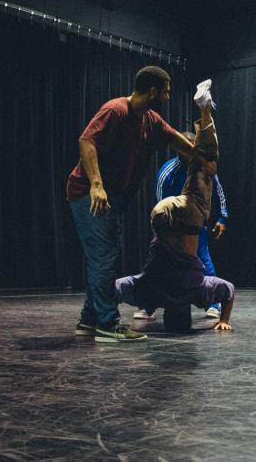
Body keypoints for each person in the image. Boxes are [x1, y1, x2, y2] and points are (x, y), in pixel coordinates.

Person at [67, 65, 205, 343]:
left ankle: (89, 319)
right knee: (104, 257)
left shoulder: (151, 119)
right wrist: (96, 185)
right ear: (153, 91)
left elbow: (181, 143)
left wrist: (203, 142)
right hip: (88, 193)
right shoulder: (116, 110)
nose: (168, 97)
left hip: (112, 198)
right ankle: (108, 324)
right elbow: (86, 141)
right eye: (166, 92)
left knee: (102, 257)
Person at [112, 80, 235, 335]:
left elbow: (228, 290)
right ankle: (204, 109)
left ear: (186, 312)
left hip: (170, 212)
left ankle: (205, 109)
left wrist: (225, 317)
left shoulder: (196, 291)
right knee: (204, 168)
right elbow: (114, 288)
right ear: (167, 313)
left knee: (206, 166)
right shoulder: (152, 292)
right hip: (168, 218)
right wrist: (107, 315)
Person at [134, 134, 229, 320]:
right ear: (179, 149)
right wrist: (164, 232)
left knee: (203, 257)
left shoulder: (204, 167)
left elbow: (218, 191)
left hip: (194, 221)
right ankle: (148, 305)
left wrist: (223, 218)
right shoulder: (168, 171)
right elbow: (161, 203)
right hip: (172, 225)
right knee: (159, 262)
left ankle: (214, 303)